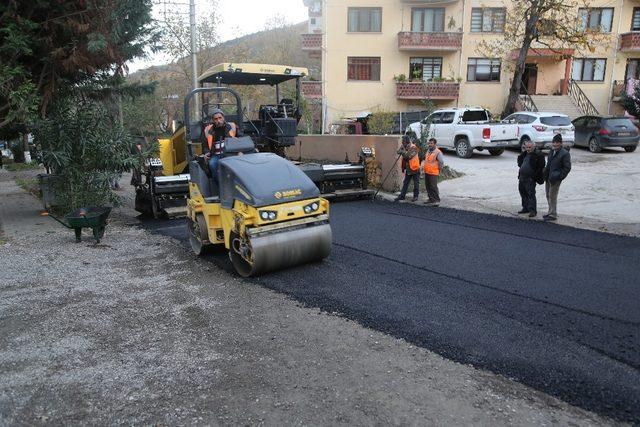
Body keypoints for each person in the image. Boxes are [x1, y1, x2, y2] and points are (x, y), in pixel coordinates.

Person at [203, 109, 237, 182]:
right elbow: (205, 145)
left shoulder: (231, 126)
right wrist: (206, 153)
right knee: (212, 164)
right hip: (216, 155)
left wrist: (240, 151)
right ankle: (220, 185)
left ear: (223, 117)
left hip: (230, 154)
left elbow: (241, 138)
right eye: (216, 119)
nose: (218, 120)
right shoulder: (208, 130)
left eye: (220, 118)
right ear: (213, 120)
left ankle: (233, 184)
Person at [543, 134, 571, 221]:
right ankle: (550, 211)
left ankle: (553, 214)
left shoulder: (565, 154)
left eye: (557, 143)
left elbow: (567, 167)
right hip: (548, 177)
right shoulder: (552, 151)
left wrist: (560, 176)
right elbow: (549, 164)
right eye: (554, 142)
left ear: (561, 143)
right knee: (548, 195)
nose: (555, 144)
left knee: (552, 196)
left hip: (556, 179)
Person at [517, 140, 545, 217]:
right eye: (526, 147)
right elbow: (519, 163)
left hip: (530, 178)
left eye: (530, 147)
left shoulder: (538, 155)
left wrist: (534, 176)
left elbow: (541, 166)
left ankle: (533, 210)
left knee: (531, 194)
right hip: (522, 177)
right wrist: (522, 152)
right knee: (522, 192)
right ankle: (525, 208)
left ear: (533, 147)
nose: (528, 149)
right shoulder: (525, 154)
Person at [394, 135, 420, 202]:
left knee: (416, 183)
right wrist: (402, 150)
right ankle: (402, 196)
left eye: (403, 142)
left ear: (407, 142)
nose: (402, 143)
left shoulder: (414, 148)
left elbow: (408, 156)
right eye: (402, 142)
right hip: (408, 169)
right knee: (405, 183)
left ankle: (415, 196)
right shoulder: (404, 146)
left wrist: (403, 151)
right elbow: (398, 151)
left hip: (415, 169)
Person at [423, 138, 444, 207]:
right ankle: (431, 199)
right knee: (428, 186)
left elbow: (441, 162)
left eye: (431, 143)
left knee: (433, 186)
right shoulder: (428, 151)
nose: (430, 144)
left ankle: (437, 200)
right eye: (429, 143)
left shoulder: (438, 152)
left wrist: (439, 169)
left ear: (435, 144)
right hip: (427, 171)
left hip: (433, 172)